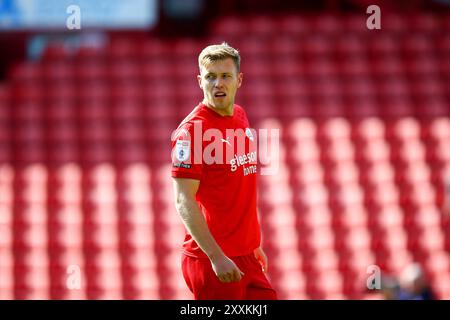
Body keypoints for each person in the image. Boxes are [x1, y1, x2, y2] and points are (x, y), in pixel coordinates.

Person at [171, 42, 277, 300]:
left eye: (225, 76)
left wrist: (253, 244)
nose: (218, 83)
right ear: (200, 81)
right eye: (210, 77)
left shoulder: (240, 116)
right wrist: (216, 256)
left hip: (246, 255)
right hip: (214, 259)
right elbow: (183, 199)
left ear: (239, 80)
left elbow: (238, 187)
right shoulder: (191, 132)